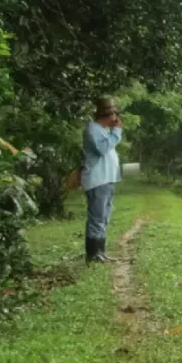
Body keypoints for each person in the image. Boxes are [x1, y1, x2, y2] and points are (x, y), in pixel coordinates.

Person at [81, 96, 123, 264]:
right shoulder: (93, 130)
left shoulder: (104, 131)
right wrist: (117, 132)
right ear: (108, 115)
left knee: (104, 218)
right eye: (114, 115)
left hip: (107, 180)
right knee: (97, 218)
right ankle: (92, 255)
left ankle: (101, 252)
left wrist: (113, 133)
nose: (116, 119)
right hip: (97, 180)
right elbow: (102, 149)